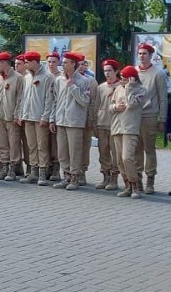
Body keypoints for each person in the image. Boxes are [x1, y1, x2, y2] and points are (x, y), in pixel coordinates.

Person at [49, 52, 91, 191]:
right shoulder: (59, 80)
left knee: (75, 151)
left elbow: (85, 101)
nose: (63, 65)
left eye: (66, 62)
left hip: (75, 121)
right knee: (62, 151)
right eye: (63, 62)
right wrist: (52, 119)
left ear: (74, 64)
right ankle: (65, 176)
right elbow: (55, 100)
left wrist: (73, 87)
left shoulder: (84, 81)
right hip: (60, 120)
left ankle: (75, 178)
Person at [18, 51, 55, 186]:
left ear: (34, 62)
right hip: (28, 117)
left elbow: (49, 99)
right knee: (31, 146)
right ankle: (33, 172)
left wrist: (45, 117)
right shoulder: (27, 77)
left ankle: (43, 173)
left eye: (27, 62)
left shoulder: (47, 77)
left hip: (40, 118)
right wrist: (22, 114)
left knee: (42, 146)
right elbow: (23, 98)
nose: (26, 64)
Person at [136, 43, 168, 194]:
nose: (141, 56)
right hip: (133, 117)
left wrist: (162, 119)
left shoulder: (158, 73)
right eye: (140, 53)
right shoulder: (133, 72)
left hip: (150, 116)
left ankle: (150, 180)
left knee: (149, 150)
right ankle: (137, 180)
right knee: (136, 149)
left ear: (151, 55)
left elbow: (163, 98)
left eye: (144, 53)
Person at [111, 66, 146, 198]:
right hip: (117, 127)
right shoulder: (118, 88)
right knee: (119, 160)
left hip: (130, 128)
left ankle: (135, 185)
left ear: (132, 78)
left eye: (125, 78)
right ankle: (127, 186)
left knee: (127, 158)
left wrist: (130, 87)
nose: (122, 80)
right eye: (121, 77)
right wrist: (115, 107)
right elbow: (111, 106)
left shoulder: (140, 90)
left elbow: (132, 104)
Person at [0, 52, 24, 181]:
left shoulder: (18, 77)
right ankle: (3, 166)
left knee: (14, 143)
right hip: (0, 115)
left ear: (5, 63)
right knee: (2, 144)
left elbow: (20, 98)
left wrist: (17, 114)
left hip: (11, 116)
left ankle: (13, 168)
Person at [95, 60, 121, 191]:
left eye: (110, 70)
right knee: (103, 151)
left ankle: (114, 178)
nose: (107, 73)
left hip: (115, 125)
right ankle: (105, 176)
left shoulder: (122, 86)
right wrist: (94, 122)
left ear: (116, 71)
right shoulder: (101, 87)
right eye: (105, 71)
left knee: (115, 152)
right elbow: (96, 106)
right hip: (102, 124)